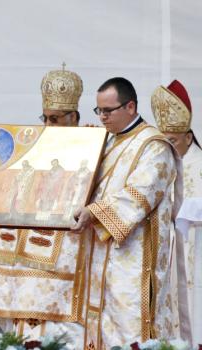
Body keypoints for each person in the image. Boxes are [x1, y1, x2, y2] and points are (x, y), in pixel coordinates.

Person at [72, 77, 180, 348]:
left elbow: (140, 195)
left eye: (108, 111)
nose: (102, 118)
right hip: (101, 256)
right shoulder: (107, 142)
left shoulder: (153, 146)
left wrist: (93, 213)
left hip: (134, 261)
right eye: (98, 111)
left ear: (130, 107)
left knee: (128, 327)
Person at [0, 66, 87, 349]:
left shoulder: (91, 146)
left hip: (66, 251)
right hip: (26, 246)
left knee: (58, 325)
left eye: (55, 119)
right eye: (45, 118)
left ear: (74, 117)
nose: (48, 125)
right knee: (23, 315)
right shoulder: (36, 146)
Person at [152, 79, 201, 345]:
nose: (166, 148)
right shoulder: (162, 163)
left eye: (172, 141)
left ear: (188, 137)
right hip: (167, 252)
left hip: (195, 251)